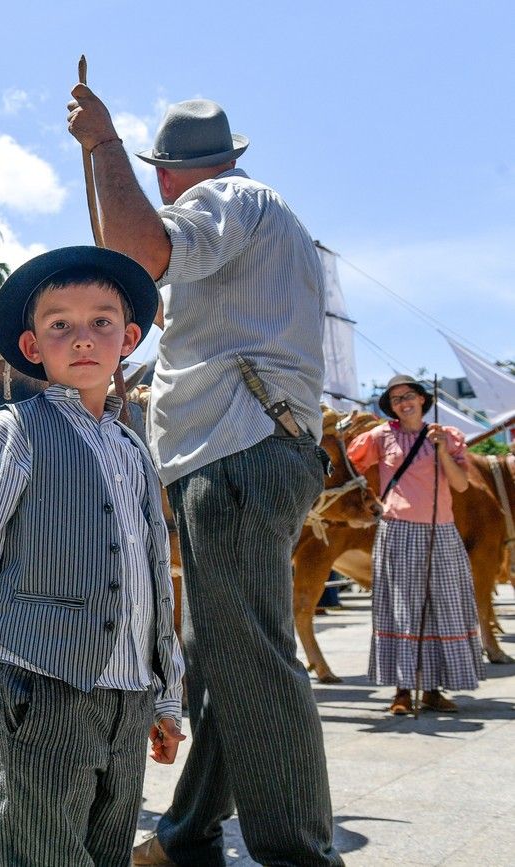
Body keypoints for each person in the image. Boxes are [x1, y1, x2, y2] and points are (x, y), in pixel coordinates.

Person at [66, 92, 343, 867]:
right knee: (220, 654)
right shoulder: (252, 222)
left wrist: (102, 144)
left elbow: (142, 249)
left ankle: (300, 856)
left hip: (239, 449)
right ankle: (190, 835)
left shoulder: (231, 198)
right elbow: (158, 287)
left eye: (152, 172)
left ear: (166, 174)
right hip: (241, 449)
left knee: (249, 653)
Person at [0, 246, 185, 867]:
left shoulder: (132, 447)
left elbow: (153, 576)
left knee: (107, 853)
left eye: (101, 322)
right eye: (60, 325)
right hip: (44, 686)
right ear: (33, 346)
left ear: (128, 338)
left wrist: (168, 694)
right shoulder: (11, 433)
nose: (83, 338)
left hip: (130, 695)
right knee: (43, 853)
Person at [347, 375, 482, 714]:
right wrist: (365, 500)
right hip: (398, 529)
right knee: (403, 609)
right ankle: (403, 691)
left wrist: (440, 450)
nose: (404, 402)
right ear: (390, 407)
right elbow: (349, 467)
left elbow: (462, 485)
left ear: (422, 399)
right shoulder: (379, 436)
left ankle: (433, 690)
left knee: (442, 608)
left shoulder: (447, 437)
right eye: (396, 399)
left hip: (442, 532)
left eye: (409, 395)